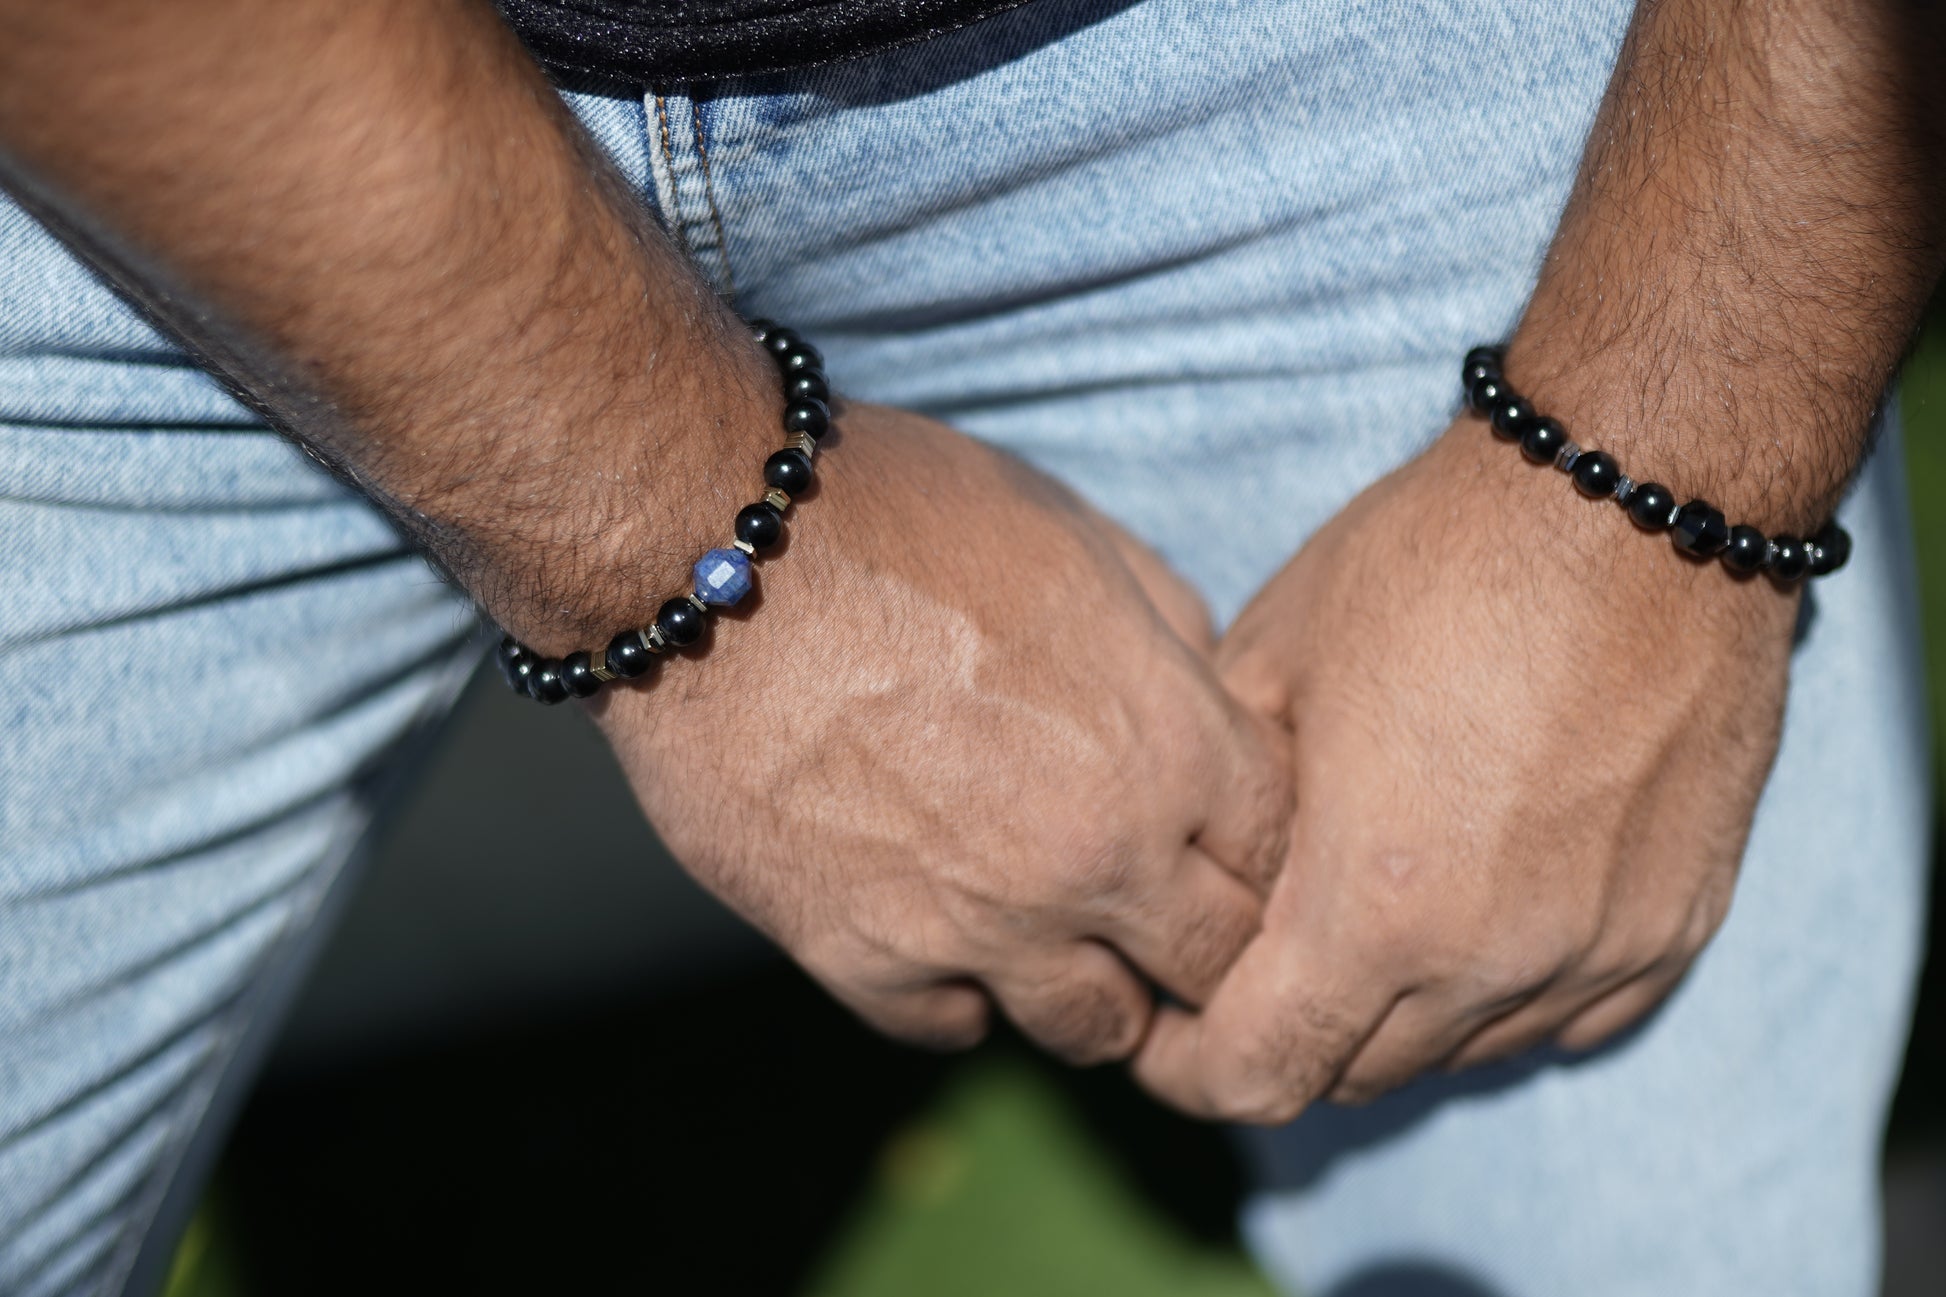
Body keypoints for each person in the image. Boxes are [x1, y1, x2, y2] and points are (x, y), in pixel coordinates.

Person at [0, 1, 1933, 1294]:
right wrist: (701, 549)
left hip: (1355, 52)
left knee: (1653, 1231)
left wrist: (1665, 470)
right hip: (160, 135)